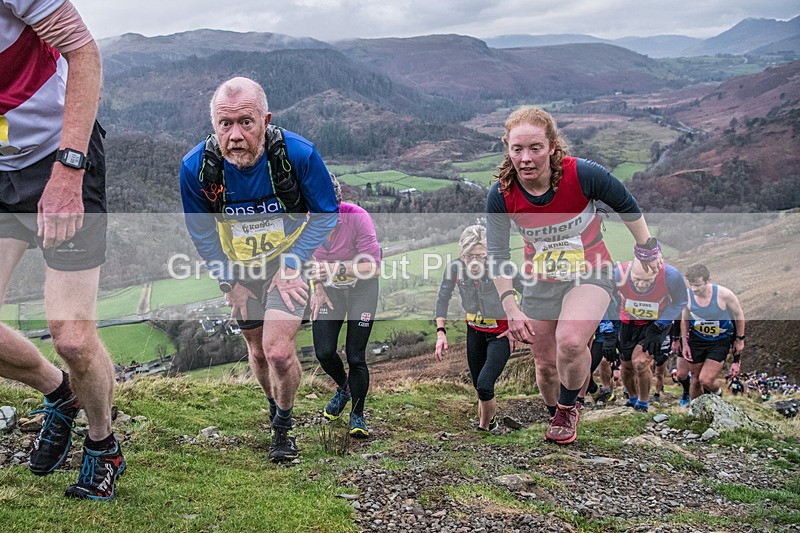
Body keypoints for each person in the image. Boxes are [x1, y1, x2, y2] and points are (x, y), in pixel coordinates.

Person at [0, 0, 123, 500]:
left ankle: (103, 444)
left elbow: (84, 52)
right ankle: (59, 391)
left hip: (61, 153)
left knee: (72, 336)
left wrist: (70, 171)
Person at [180, 77, 338, 462]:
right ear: (214, 125)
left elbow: (326, 214)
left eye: (246, 123)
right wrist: (227, 284)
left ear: (265, 121)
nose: (235, 135)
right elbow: (202, 234)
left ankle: (283, 428)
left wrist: (292, 264)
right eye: (225, 124)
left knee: (279, 352)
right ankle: (273, 404)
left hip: (289, 261)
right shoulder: (196, 169)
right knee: (257, 350)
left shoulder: (298, 155)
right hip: (240, 268)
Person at [486, 106, 661, 444]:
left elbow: (626, 203)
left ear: (552, 146)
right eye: (517, 149)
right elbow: (497, 254)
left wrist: (646, 248)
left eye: (535, 147)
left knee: (570, 342)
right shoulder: (502, 194)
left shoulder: (582, 174)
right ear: (507, 149)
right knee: (545, 366)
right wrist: (511, 306)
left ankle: (568, 408)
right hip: (540, 280)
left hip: (591, 271)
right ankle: (554, 411)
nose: (526, 158)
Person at [307, 176, 381, 437]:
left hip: (362, 288)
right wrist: (317, 288)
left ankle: (357, 416)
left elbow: (373, 267)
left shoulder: (357, 217)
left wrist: (335, 268)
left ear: (336, 202)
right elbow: (309, 262)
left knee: (355, 355)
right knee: (324, 351)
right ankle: (344, 388)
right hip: (329, 290)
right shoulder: (303, 222)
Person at [435, 225, 521, 431]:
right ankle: (490, 420)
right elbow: (442, 299)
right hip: (474, 332)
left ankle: (483, 429)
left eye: (481, 256)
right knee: (478, 386)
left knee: (484, 383)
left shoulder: (503, 268)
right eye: (469, 256)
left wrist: (515, 323)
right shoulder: (455, 269)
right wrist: (441, 332)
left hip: (500, 334)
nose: (474, 262)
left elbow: (528, 292)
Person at [615, 259, 687, 412]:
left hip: (655, 323)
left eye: (647, 280)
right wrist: (608, 330)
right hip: (628, 323)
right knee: (627, 367)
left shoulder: (671, 276)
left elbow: (680, 302)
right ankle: (633, 398)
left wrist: (659, 325)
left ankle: (643, 403)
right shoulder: (618, 273)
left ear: (656, 271)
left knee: (641, 362)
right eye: (637, 279)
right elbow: (606, 297)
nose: (641, 285)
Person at [676, 264, 746, 405]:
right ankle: (694, 412)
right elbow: (684, 320)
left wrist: (740, 339)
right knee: (695, 379)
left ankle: (717, 393)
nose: (694, 289)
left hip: (719, 341)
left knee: (706, 380)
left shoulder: (724, 294)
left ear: (708, 280)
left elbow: (739, 315)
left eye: (698, 285)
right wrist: (685, 343)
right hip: (697, 340)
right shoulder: (688, 296)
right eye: (691, 285)